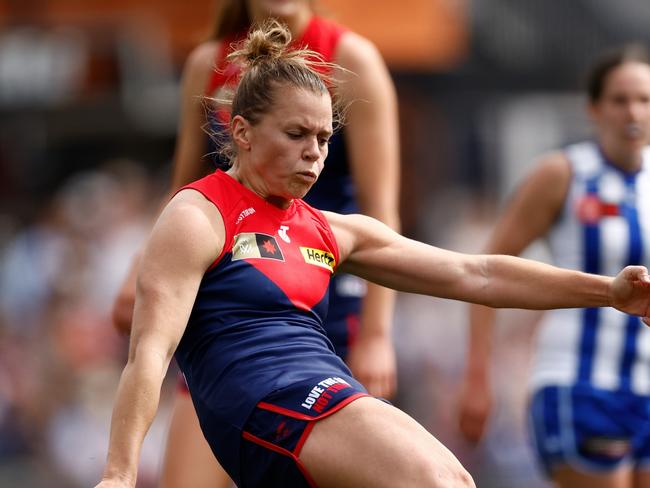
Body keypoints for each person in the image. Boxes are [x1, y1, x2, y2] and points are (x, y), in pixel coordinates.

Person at [96, 23, 650, 488]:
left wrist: (608, 292)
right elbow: (148, 355)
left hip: (318, 398)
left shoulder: (331, 229)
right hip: (268, 404)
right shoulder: (198, 215)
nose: (313, 153)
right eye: (295, 134)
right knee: (445, 484)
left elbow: (475, 273)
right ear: (240, 131)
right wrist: (120, 474)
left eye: (324, 138)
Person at [111, 2, 399, 485]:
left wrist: (378, 334)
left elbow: (381, 210)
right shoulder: (208, 63)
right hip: (234, 308)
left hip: (326, 310)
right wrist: (139, 266)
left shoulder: (352, 59)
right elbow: (186, 183)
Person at [458, 45, 650, 488]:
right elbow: (486, 270)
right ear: (594, 108)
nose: (632, 111)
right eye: (620, 100)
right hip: (578, 383)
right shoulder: (563, 174)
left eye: (643, 99)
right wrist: (477, 376)